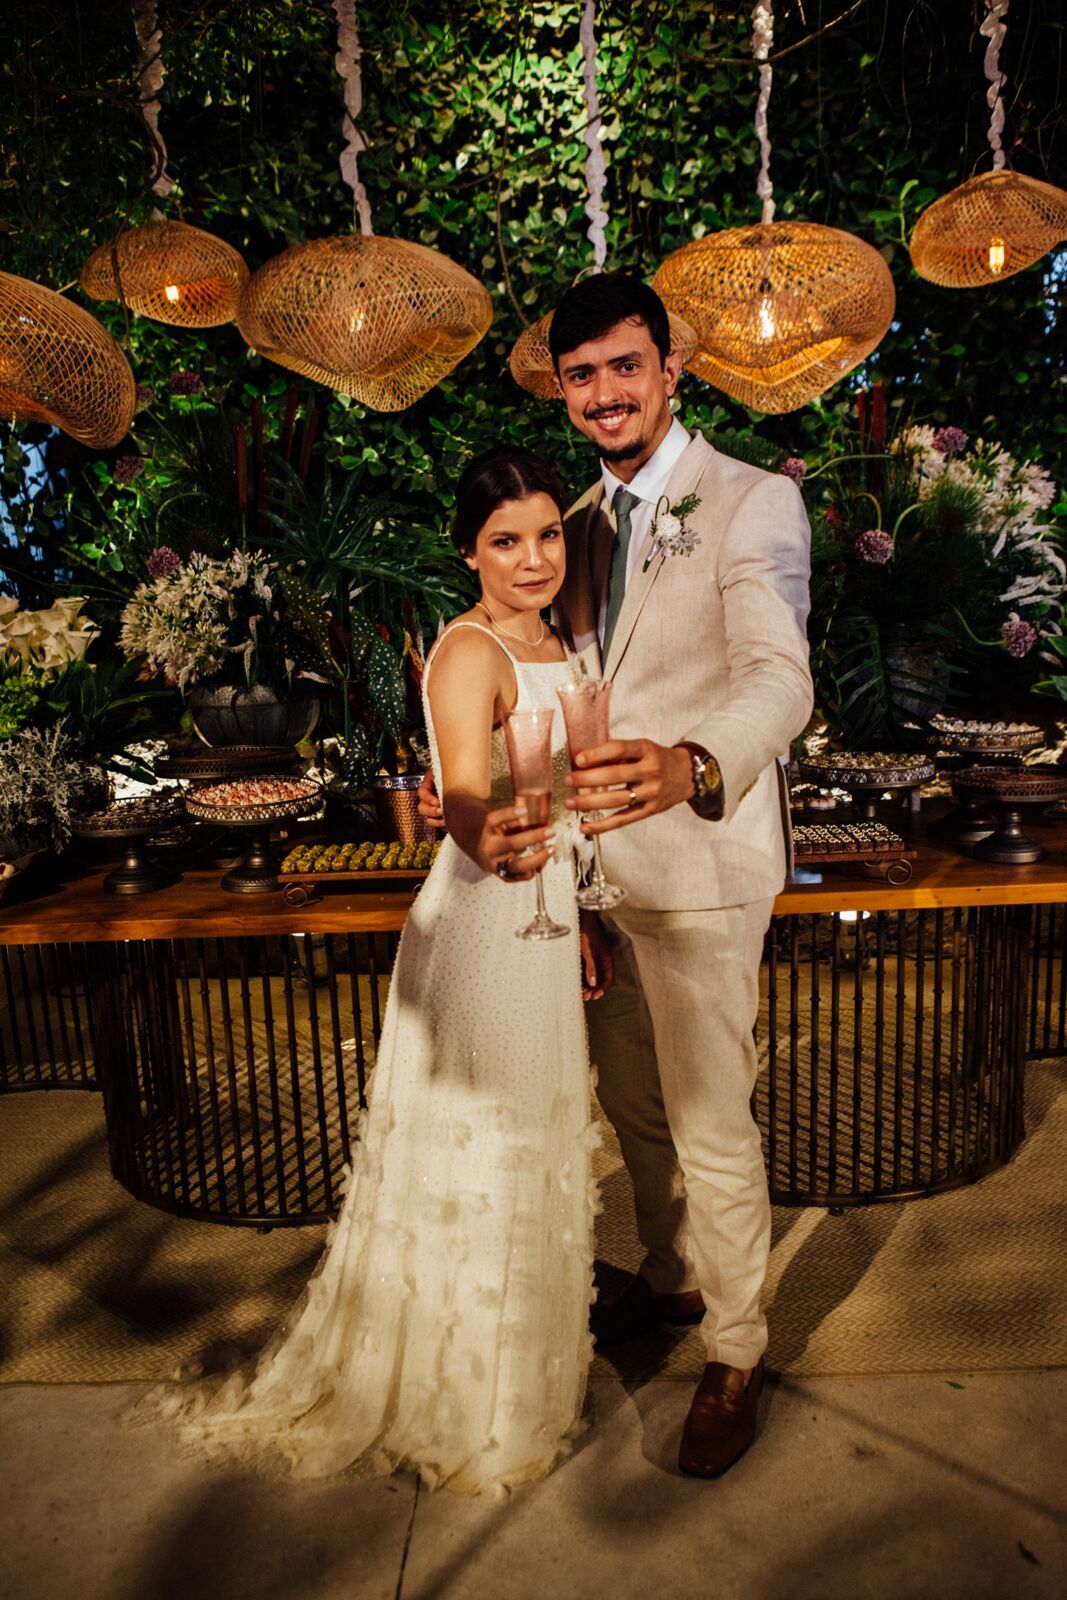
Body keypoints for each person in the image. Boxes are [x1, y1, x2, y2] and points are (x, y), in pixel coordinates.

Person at [160, 446, 614, 1498]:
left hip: (547, 912)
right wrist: (494, 841)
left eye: (548, 534)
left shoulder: (563, 640)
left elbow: (572, 797)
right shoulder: (467, 652)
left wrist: (581, 907)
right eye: (506, 540)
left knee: (539, 1141)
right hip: (485, 922)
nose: (534, 558)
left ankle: (523, 1382)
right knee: (486, 1151)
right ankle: (467, 1401)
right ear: (468, 553)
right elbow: (465, 800)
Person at [422, 273, 813, 1478]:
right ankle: (672, 1273)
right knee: (633, 1113)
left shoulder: (751, 501)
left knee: (708, 1121)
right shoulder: (576, 522)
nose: (604, 391)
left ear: (669, 368)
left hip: (700, 862)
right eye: (581, 373)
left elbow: (780, 679)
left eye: (624, 365)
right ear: (563, 387)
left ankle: (736, 1350)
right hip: (589, 881)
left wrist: (695, 761)